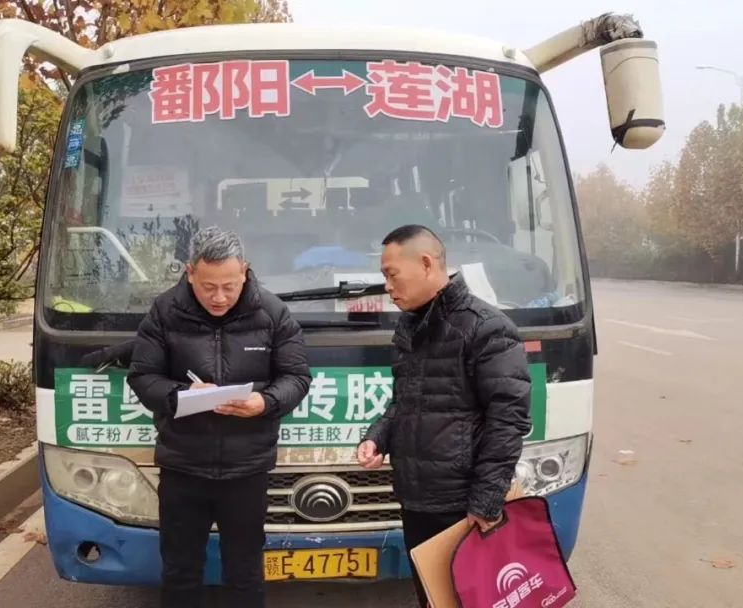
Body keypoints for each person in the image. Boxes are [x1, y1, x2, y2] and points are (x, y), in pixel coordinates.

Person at [127, 226, 311, 608]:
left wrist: (266, 402)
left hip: (247, 470)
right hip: (183, 467)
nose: (219, 297)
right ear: (190, 272)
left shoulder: (273, 313)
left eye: (229, 285)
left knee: (245, 574)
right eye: (208, 286)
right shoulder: (164, 312)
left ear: (245, 270)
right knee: (179, 572)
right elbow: (143, 377)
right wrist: (180, 396)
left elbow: (296, 377)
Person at [355, 224, 532, 608]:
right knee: (433, 598)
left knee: (475, 598)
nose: (387, 286)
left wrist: (486, 500)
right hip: (417, 499)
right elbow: (404, 402)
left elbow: (508, 421)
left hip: (462, 504)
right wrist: (377, 437)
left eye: (392, 274)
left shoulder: (485, 327)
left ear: (426, 263)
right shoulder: (410, 325)